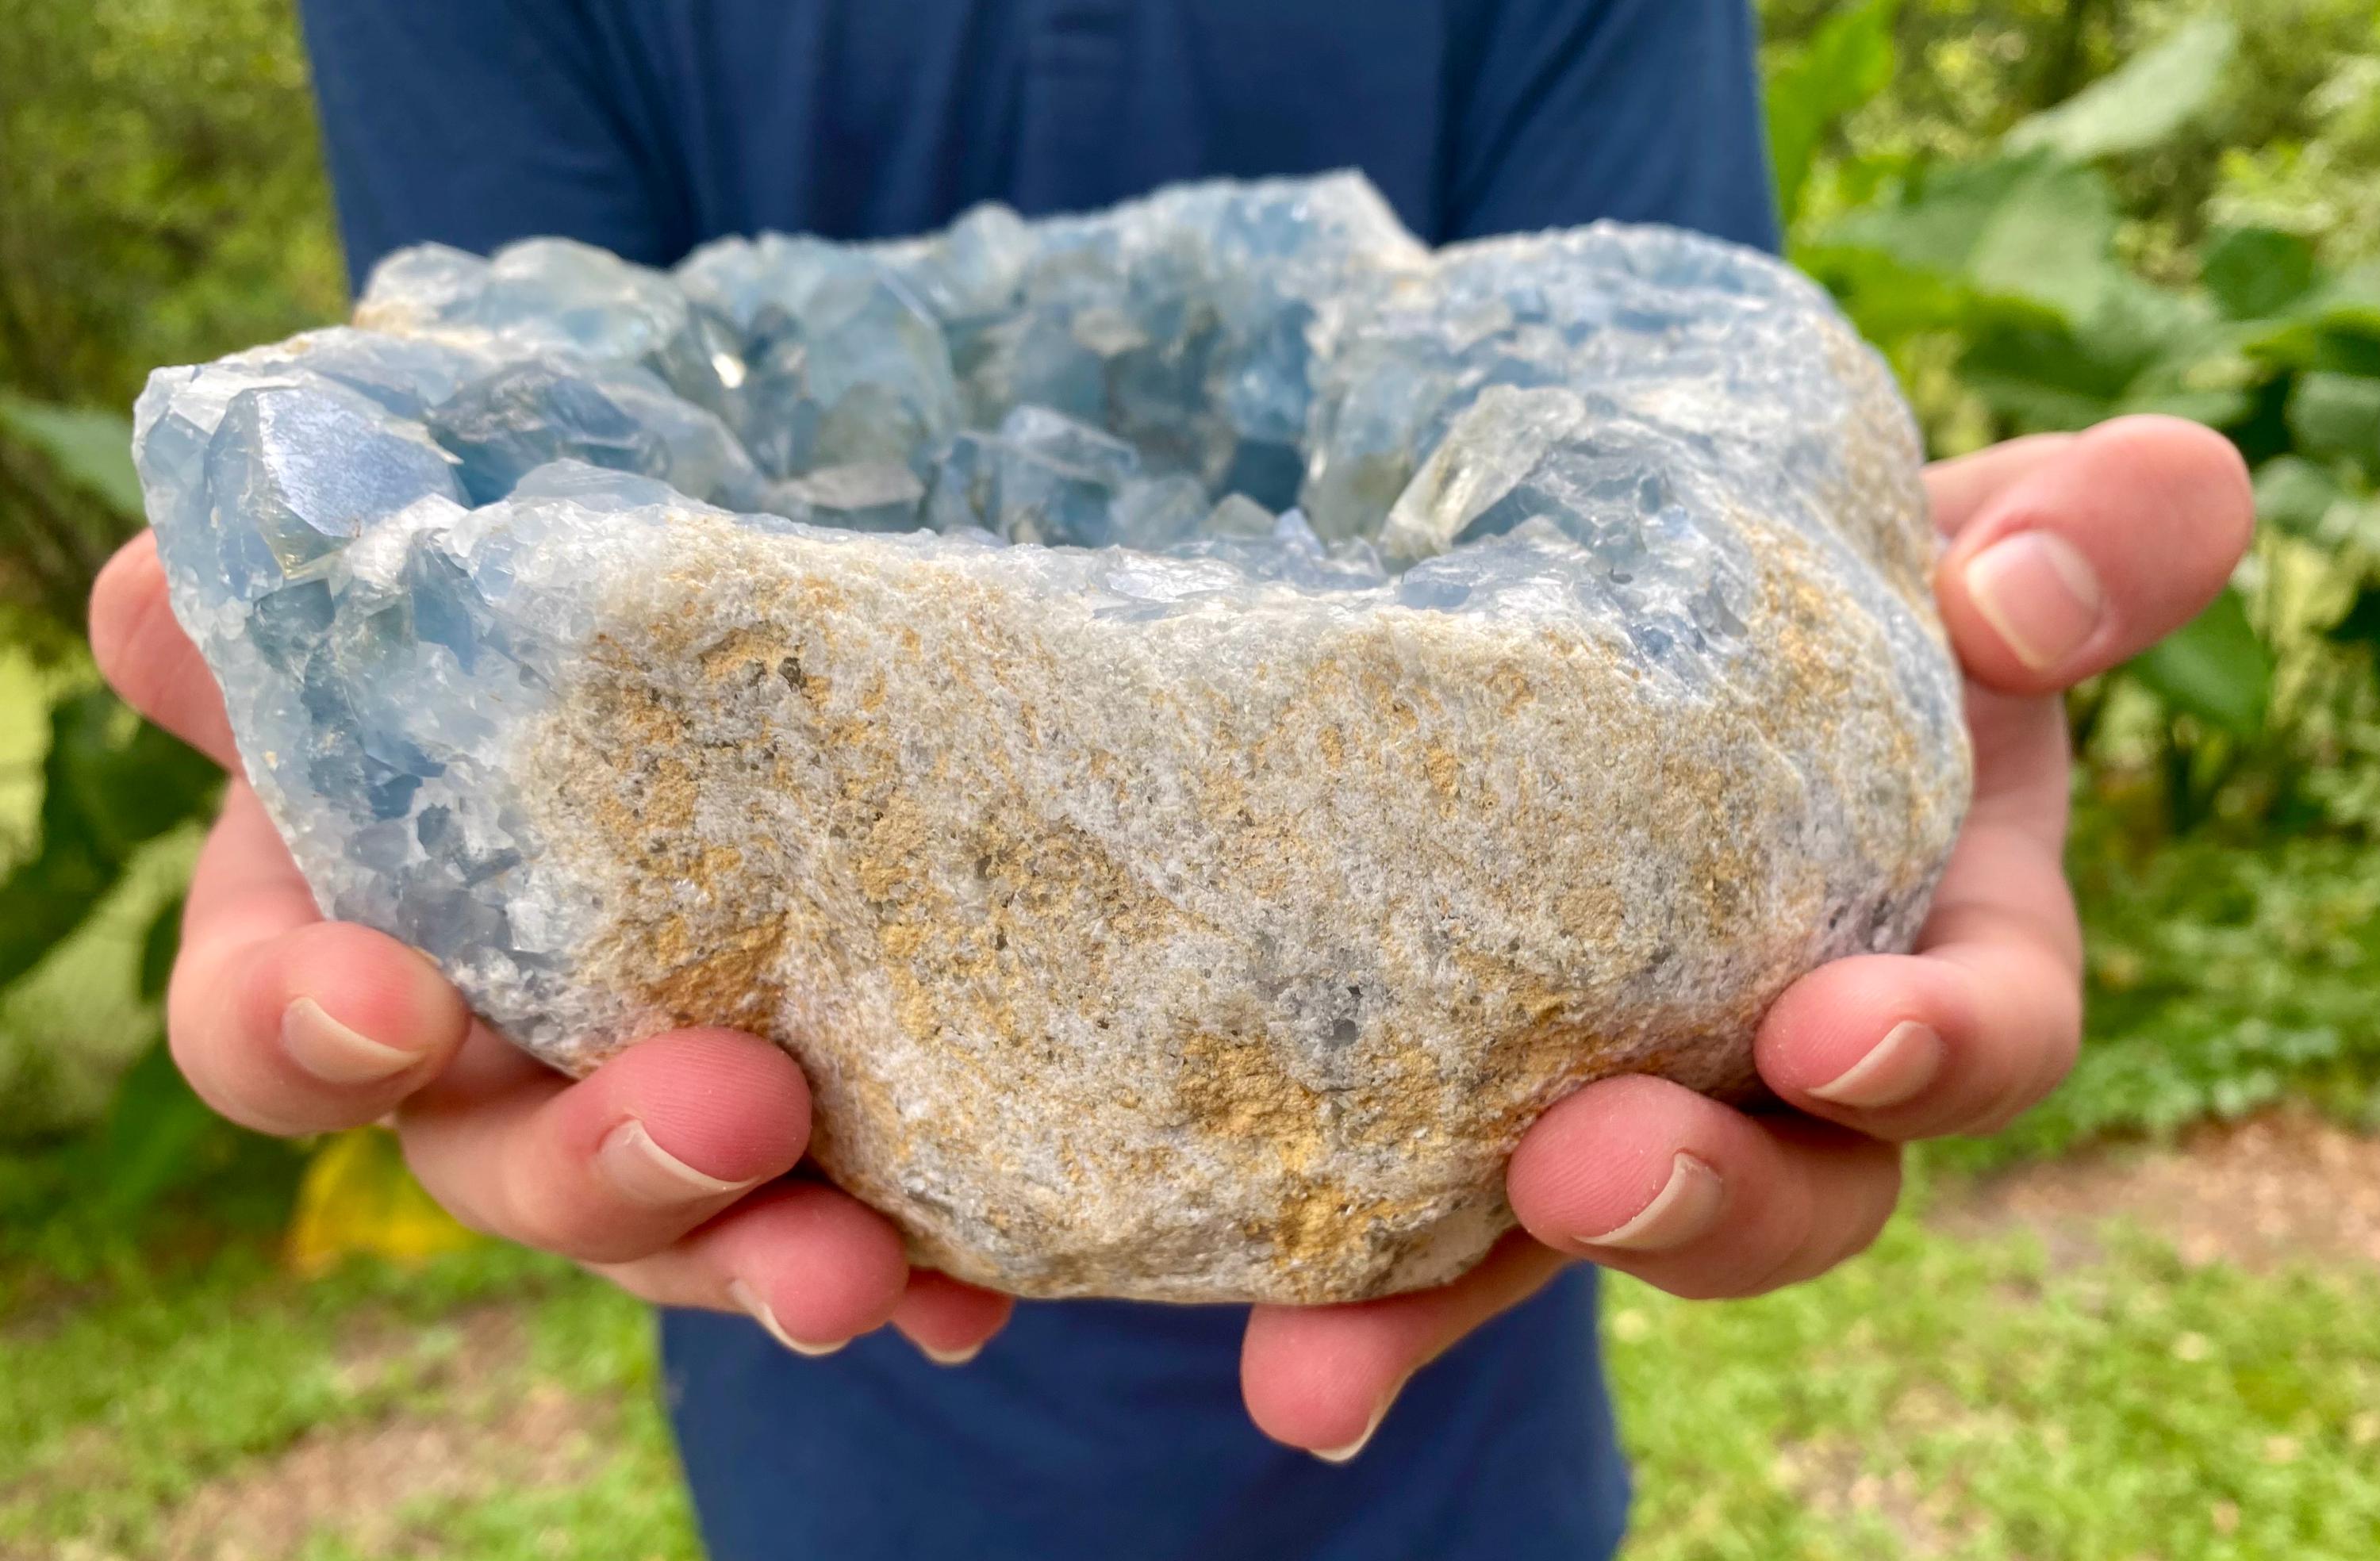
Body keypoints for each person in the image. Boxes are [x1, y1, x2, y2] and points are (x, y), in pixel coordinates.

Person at [89, 2, 2255, 1556]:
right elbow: (484, 475)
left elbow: (1678, 451)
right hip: (833, 1382)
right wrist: (398, 702)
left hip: (1458, 1377)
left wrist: (1917, 635)